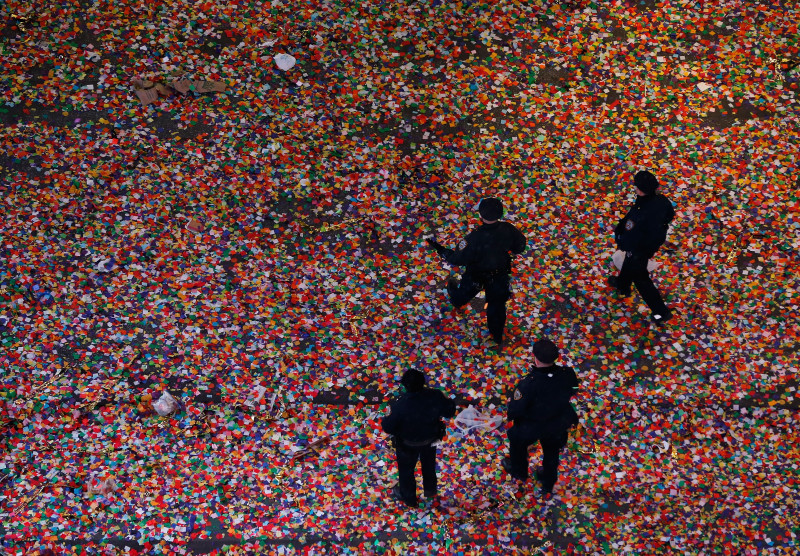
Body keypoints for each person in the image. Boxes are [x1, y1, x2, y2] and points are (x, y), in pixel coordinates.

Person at [426, 197, 526, 351]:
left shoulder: (473, 238)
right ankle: (497, 335)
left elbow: (457, 258)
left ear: (480, 215)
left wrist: (442, 250)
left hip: (476, 274)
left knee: (465, 292)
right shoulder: (508, 228)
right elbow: (520, 246)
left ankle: (457, 301)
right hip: (499, 273)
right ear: (500, 214)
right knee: (497, 306)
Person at [502, 339, 579, 495]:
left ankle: (519, 471)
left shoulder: (528, 384)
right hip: (557, 422)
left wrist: (511, 411)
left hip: (532, 426)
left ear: (534, 358)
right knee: (552, 453)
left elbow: (516, 409)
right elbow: (573, 389)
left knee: (517, 443)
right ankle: (548, 482)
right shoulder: (567, 374)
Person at [381, 369, 456, 507]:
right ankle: (430, 490)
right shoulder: (435, 396)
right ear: (423, 383)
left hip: (408, 443)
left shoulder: (400, 405)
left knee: (406, 471)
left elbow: (388, 427)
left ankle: (409, 498)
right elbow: (450, 411)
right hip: (430, 438)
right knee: (428, 464)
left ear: (405, 386)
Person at [609, 170, 675, 325]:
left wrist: (621, 241)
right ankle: (622, 285)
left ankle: (661, 312)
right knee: (630, 264)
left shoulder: (641, 213)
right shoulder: (661, 201)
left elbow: (630, 234)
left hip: (639, 248)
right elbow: (670, 215)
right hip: (651, 244)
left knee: (641, 280)